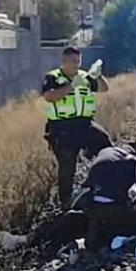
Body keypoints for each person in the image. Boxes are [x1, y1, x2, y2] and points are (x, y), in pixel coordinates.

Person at [28, 140, 136, 257]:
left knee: (85, 221)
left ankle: (48, 242)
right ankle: (94, 244)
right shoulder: (134, 162)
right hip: (114, 211)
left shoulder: (105, 152)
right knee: (134, 226)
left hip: (90, 206)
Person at [43, 47, 112, 209]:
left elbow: (104, 89)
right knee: (67, 166)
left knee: (107, 148)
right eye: (73, 61)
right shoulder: (54, 77)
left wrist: (98, 76)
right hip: (63, 128)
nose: (76, 65)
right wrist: (71, 87)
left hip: (85, 124)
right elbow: (49, 96)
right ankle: (66, 203)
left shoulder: (84, 77)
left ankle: (105, 187)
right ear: (64, 61)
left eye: (78, 61)